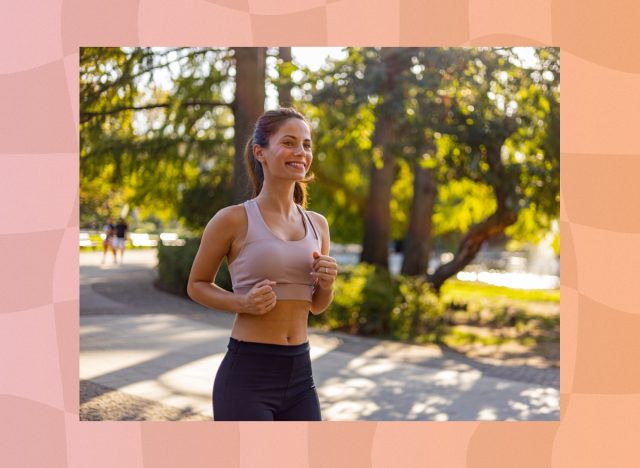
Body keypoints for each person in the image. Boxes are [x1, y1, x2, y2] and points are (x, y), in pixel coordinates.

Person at [187, 108, 338, 421]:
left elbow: (316, 306)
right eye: (289, 142)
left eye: (307, 145)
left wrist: (327, 284)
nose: (301, 152)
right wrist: (241, 301)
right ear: (261, 153)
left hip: (300, 376)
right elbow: (197, 285)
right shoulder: (232, 219)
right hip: (247, 376)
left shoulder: (318, 225)